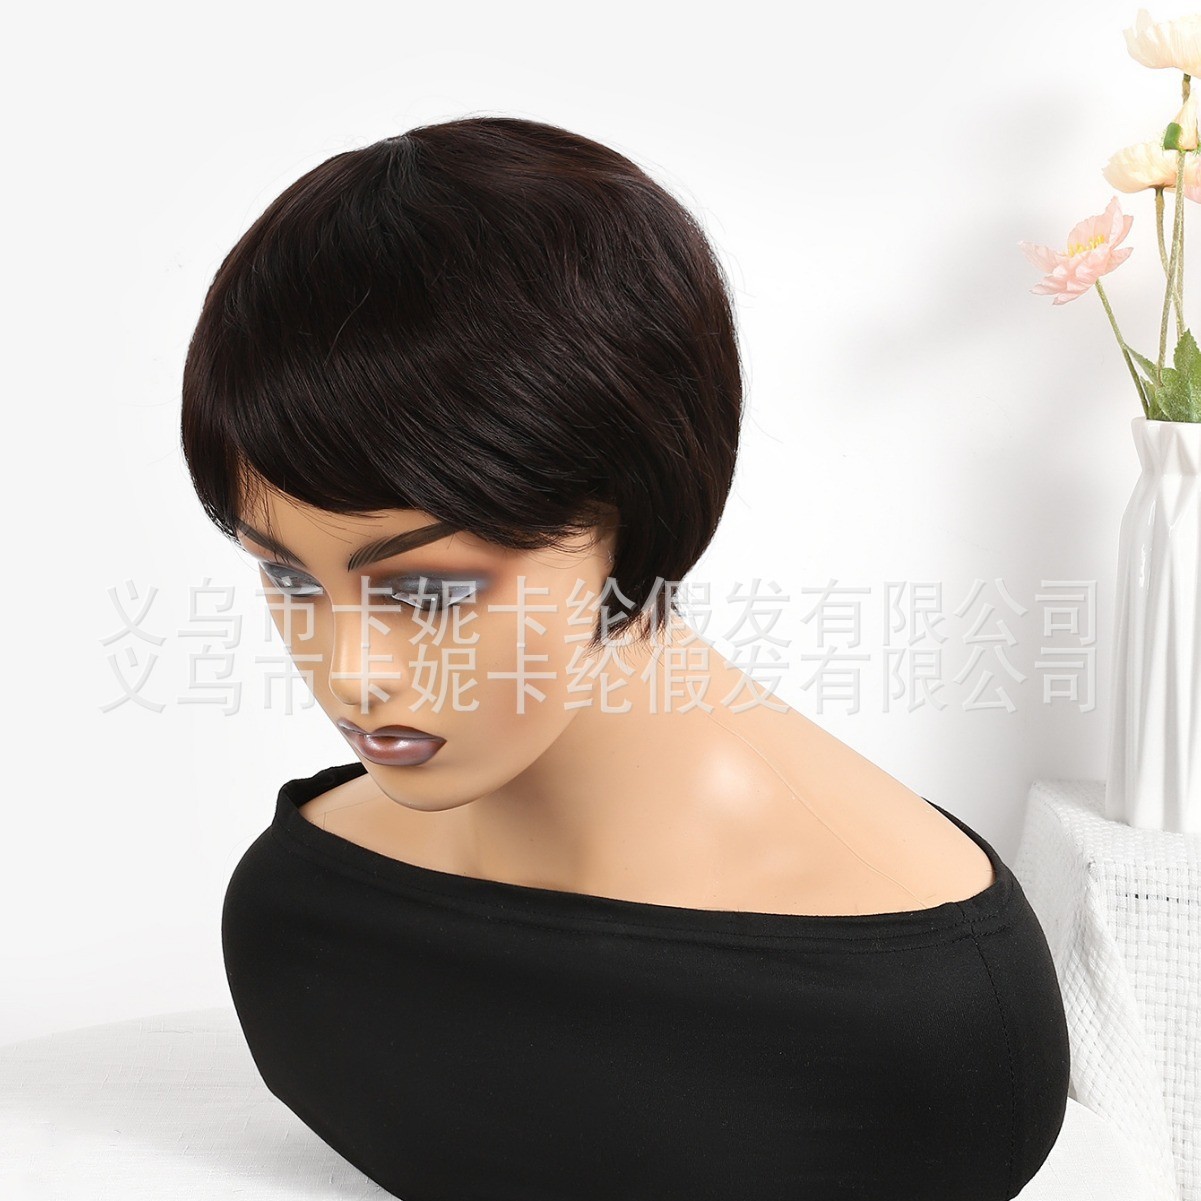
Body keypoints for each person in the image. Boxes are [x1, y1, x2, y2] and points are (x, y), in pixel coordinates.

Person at [182, 115, 1070, 1201]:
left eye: (429, 589)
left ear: (633, 507)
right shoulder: (297, 925)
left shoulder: (922, 1036)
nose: (349, 670)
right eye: (285, 576)